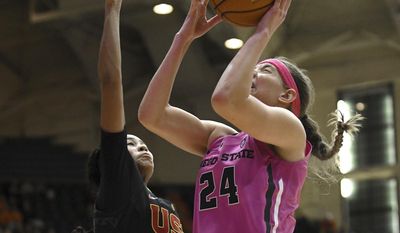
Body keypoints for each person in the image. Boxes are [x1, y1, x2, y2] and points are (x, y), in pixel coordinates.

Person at [138, 0, 363, 232]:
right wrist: (182, 39)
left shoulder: (291, 130)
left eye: (265, 70)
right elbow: (152, 115)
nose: (252, 71)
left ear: (287, 95)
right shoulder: (220, 138)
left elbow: (225, 99)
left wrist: (263, 31)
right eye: (252, 68)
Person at [72, 0, 184, 232]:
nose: (143, 147)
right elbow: (111, 82)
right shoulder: (118, 186)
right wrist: (112, 9)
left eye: (142, 143)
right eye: (130, 144)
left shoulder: (160, 202)